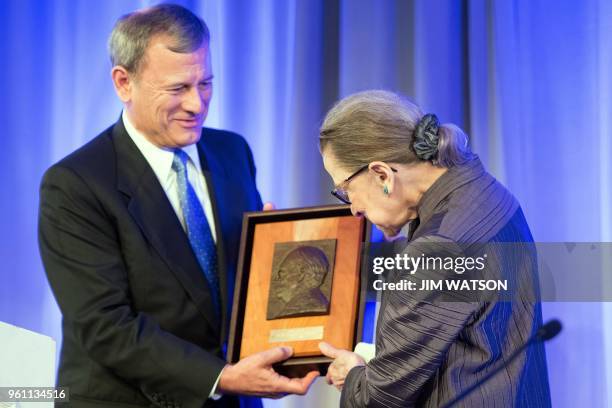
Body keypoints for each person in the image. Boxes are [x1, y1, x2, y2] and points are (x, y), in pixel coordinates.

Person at [38, 4, 317, 408]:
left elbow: (225, 289)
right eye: (177, 89)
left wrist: (272, 255)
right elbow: (105, 327)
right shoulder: (76, 184)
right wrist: (220, 377)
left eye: (205, 83)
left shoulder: (232, 151)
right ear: (123, 83)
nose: (197, 104)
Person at [316, 90, 551, 407]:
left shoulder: (436, 250)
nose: (353, 209)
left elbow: (380, 399)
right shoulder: (483, 187)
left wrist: (355, 374)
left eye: (346, 190)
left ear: (381, 174)